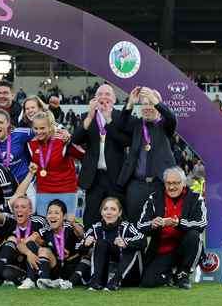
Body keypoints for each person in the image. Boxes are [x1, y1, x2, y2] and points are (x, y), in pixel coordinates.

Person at [138, 167, 206, 289]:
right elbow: (140, 225)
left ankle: (183, 273)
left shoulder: (196, 198)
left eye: (176, 183)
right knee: (148, 282)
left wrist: (178, 223)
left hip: (184, 247)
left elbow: (201, 223)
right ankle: (171, 275)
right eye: (168, 183)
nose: (171, 187)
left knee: (194, 235)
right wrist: (152, 224)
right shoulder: (154, 198)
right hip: (162, 249)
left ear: (184, 183)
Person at [72, 85, 129, 228]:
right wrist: (91, 116)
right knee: (91, 216)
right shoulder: (87, 116)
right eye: (101, 94)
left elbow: (125, 141)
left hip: (115, 176)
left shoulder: (121, 117)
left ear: (114, 99)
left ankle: (117, 246)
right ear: (95, 98)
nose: (104, 96)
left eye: (108, 94)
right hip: (94, 177)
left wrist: (109, 120)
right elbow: (76, 139)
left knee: (117, 215)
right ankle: (91, 246)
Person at [118, 87, 177, 223]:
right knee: (134, 224)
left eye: (151, 103)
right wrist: (130, 104)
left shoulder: (165, 126)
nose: (148, 107)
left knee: (159, 226)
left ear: (158, 105)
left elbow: (171, 118)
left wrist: (155, 100)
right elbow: (121, 125)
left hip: (159, 185)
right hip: (136, 185)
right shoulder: (137, 125)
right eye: (145, 103)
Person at [81, 197, 145, 291]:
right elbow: (78, 246)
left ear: (119, 213)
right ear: (101, 212)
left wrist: (125, 242)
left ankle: (116, 281)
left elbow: (143, 241)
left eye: (113, 209)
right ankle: (95, 282)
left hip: (129, 275)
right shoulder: (96, 228)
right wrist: (85, 244)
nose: (109, 212)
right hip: (106, 275)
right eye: (105, 209)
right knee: (101, 243)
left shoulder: (127, 227)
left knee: (130, 247)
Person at [28, 112, 84, 216]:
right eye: (35, 128)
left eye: (42, 128)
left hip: (67, 190)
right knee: (44, 226)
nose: (38, 132)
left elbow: (82, 155)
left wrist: (70, 140)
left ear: (50, 127)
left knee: (67, 226)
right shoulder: (31, 144)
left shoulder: (62, 140)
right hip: (43, 191)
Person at [34, 199, 85, 290]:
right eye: (49, 213)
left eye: (56, 213)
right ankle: (45, 280)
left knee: (88, 253)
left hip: (72, 267)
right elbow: (25, 242)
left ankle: (71, 281)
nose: (52, 216)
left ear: (64, 216)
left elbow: (82, 234)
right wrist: (29, 254)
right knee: (42, 250)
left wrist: (73, 223)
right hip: (56, 267)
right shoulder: (44, 231)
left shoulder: (70, 226)